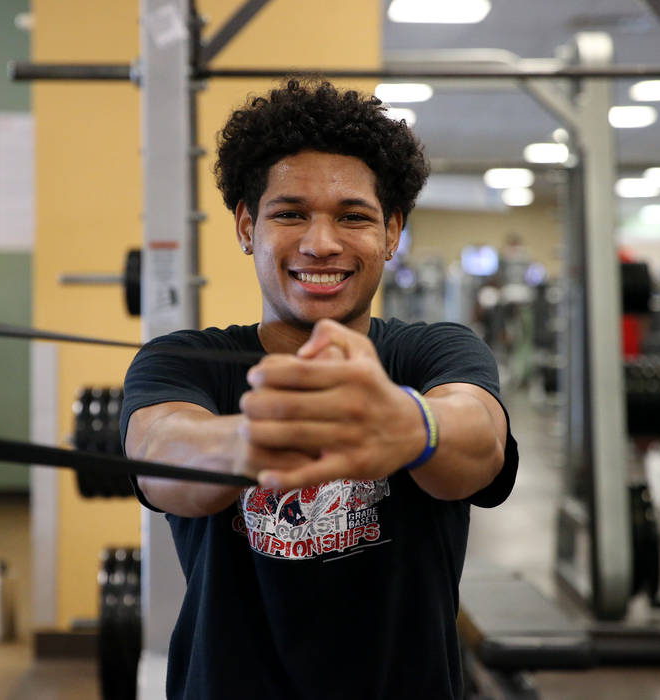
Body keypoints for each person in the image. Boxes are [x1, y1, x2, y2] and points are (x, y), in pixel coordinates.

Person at [121, 78, 519, 700]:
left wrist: (412, 425)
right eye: (291, 213)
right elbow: (161, 454)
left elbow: (480, 440)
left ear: (392, 233)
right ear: (248, 226)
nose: (321, 242)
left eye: (353, 216)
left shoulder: (433, 351)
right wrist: (253, 437)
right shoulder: (185, 361)